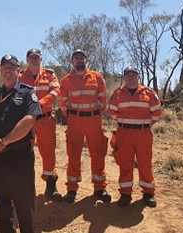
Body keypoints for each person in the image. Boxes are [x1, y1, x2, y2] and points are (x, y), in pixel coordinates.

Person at [0, 54, 41, 233]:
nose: (8, 69)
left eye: (12, 67)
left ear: (18, 71)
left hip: (19, 156)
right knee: (2, 203)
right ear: (0, 71)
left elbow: (29, 119)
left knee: (24, 204)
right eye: (4, 66)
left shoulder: (27, 92)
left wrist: (5, 141)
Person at [58, 49, 111, 203]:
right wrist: (75, 115)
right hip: (75, 120)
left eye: (82, 58)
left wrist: (93, 113)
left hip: (94, 119)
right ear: (72, 62)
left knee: (97, 153)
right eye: (76, 58)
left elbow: (103, 101)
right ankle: (72, 189)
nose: (79, 60)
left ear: (87, 60)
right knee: (73, 153)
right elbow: (63, 103)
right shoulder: (66, 80)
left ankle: (100, 188)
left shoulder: (97, 77)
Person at [108, 66, 162, 208]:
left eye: (134, 75)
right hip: (124, 133)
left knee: (145, 163)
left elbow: (157, 113)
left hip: (143, 134)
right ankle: (125, 194)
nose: (131, 78)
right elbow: (112, 112)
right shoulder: (118, 94)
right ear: (124, 78)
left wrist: (143, 125)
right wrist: (125, 123)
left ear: (138, 77)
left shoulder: (149, 93)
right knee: (125, 163)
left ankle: (148, 193)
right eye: (128, 75)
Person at [18, 48, 62, 201]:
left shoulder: (49, 74)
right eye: (31, 58)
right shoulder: (20, 76)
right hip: (27, 121)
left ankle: (51, 185)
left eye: (37, 58)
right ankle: (25, 187)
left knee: (48, 153)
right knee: (24, 153)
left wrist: (40, 103)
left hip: (45, 119)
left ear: (41, 59)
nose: (34, 60)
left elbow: (56, 90)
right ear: (27, 60)